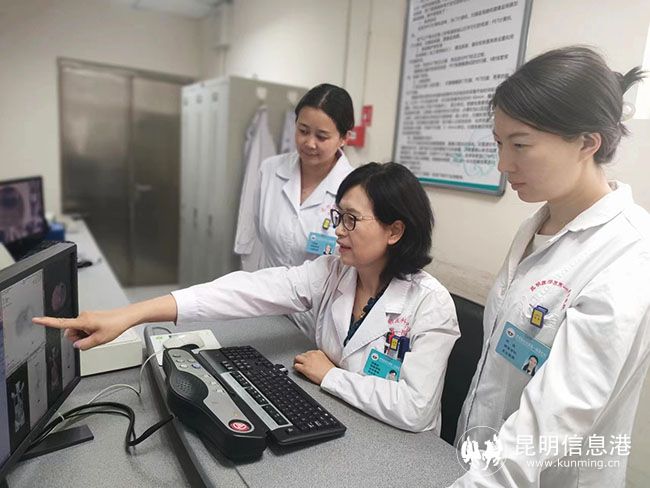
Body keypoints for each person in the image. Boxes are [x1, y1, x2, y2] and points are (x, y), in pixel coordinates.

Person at [35, 163, 460, 433]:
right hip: (341, 417)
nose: (337, 230)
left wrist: (330, 376)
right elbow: (246, 291)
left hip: (399, 448)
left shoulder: (430, 304)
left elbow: (415, 409)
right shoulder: (334, 271)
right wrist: (131, 315)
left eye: (351, 219)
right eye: (338, 215)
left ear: (395, 230)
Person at [451, 46, 649, 487]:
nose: (504, 164)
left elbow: (554, 416)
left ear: (587, 142)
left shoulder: (630, 252)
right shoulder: (538, 225)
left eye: (520, 145)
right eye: (499, 143)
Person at [254, 83, 355, 269]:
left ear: (344, 138)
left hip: (324, 289)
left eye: (321, 136)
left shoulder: (355, 189)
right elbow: (260, 233)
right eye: (303, 131)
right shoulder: (269, 170)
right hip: (268, 284)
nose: (309, 143)